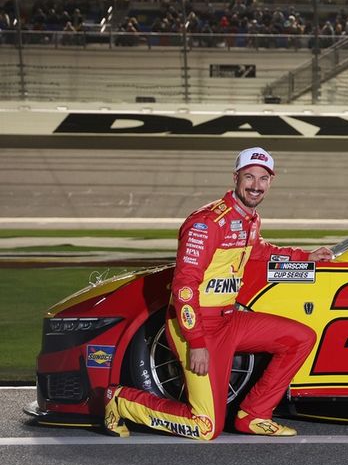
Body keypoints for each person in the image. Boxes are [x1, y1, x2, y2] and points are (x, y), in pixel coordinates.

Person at [103, 147, 334, 440]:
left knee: (300, 338)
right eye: (249, 176)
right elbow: (184, 285)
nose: (255, 185)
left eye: (263, 178)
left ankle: (254, 415)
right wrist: (196, 342)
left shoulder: (250, 219)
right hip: (196, 326)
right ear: (235, 177)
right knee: (205, 428)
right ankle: (121, 400)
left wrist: (305, 256)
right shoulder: (208, 222)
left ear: (270, 182)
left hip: (229, 320)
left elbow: (260, 251)